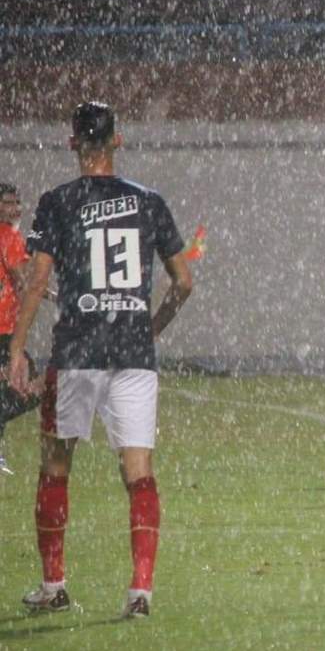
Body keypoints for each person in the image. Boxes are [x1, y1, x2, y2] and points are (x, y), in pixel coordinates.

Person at [6, 102, 193, 618]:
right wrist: (152, 326)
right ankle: (140, 593)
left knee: (55, 466)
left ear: (73, 144)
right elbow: (183, 281)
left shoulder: (58, 202)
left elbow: (37, 281)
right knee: (138, 472)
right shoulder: (148, 202)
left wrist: (17, 348)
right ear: (118, 141)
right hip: (132, 353)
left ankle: (54, 585)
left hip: (76, 351)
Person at [0, 183, 44, 474]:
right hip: (4, 330)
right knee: (31, 388)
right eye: (8, 203)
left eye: (17, 202)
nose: (16, 208)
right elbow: (23, 279)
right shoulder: (9, 236)